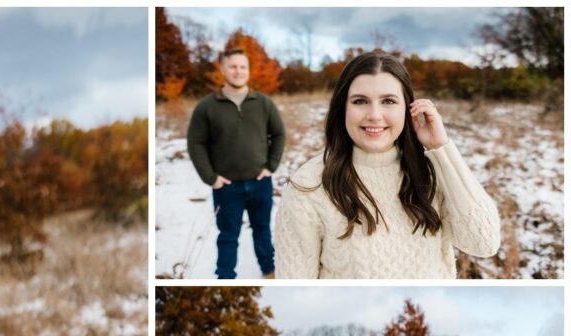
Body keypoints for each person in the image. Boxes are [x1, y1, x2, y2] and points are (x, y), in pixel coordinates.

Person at [274, 52, 500, 278]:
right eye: (360, 101)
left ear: (407, 108)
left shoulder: (432, 171)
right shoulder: (309, 185)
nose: (374, 115)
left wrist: (441, 148)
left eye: (388, 101)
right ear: (343, 107)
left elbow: (484, 243)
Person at [187, 46, 286, 279]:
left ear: (248, 71)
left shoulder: (263, 103)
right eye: (233, 66)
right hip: (226, 186)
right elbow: (195, 143)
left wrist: (270, 166)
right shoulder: (207, 106)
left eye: (243, 67)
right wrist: (210, 177)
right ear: (223, 69)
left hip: (260, 182)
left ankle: (269, 272)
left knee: (262, 231)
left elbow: (279, 134)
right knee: (228, 236)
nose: (238, 71)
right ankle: (225, 277)